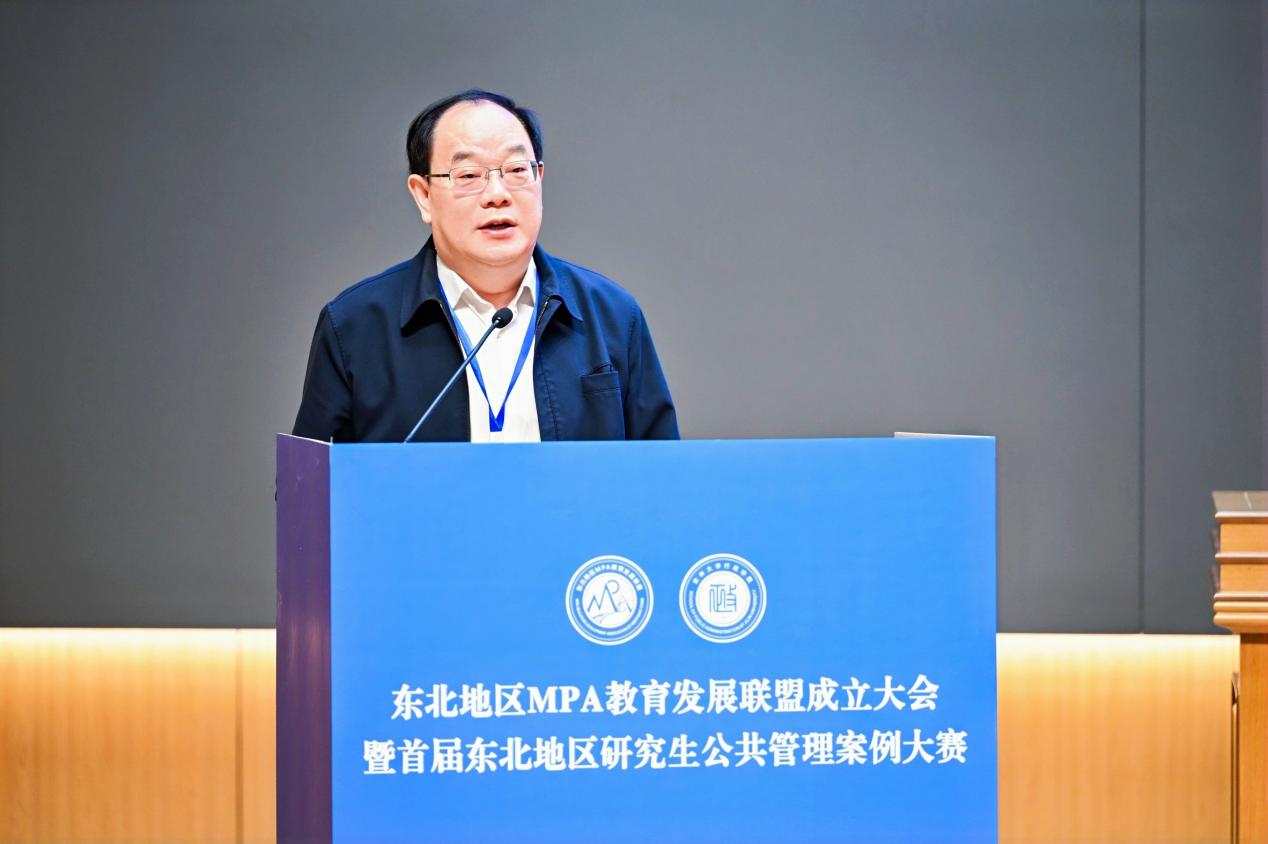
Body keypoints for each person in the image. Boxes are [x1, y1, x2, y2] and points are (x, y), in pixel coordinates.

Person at [292, 89, 678, 443]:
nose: (497, 194)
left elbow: (664, 476)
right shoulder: (355, 327)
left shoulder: (612, 315)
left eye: (517, 170)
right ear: (423, 195)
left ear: (539, 178)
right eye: (468, 175)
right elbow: (307, 486)